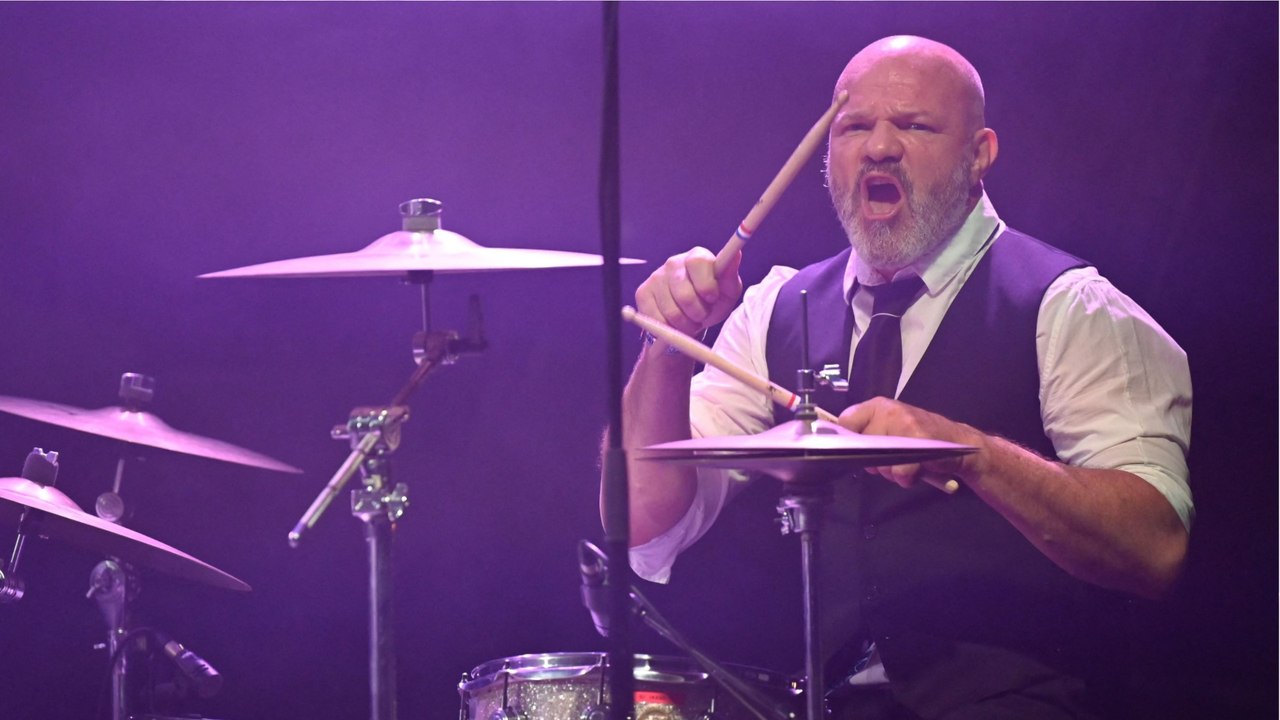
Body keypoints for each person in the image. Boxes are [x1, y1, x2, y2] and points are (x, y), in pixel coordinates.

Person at [608, 35, 1192, 720]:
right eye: (854, 126)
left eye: (914, 125)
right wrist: (669, 349)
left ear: (980, 155)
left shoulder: (1069, 308)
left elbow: (1153, 549)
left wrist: (968, 450)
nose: (879, 147)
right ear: (828, 159)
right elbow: (642, 523)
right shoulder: (775, 307)